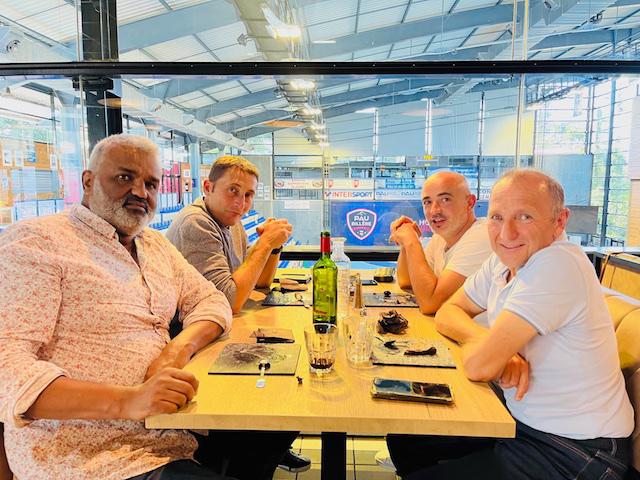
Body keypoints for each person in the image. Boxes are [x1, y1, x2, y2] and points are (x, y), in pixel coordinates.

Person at [0, 135, 237, 480]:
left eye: (151, 184)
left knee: (268, 435)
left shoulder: (153, 244)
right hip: (92, 458)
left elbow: (211, 299)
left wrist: (176, 350)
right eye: (125, 177)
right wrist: (130, 400)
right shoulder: (38, 241)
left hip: (173, 431)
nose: (140, 192)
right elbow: (6, 365)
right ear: (88, 181)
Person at [387, 169, 634, 479]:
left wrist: (491, 353)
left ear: (559, 221)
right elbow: (448, 311)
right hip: (519, 423)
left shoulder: (557, 263)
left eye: (525, 217)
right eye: (497, 218)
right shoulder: (503, 260)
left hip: (575, 450)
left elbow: (478, 366)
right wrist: (487, 342)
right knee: (408, 439)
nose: (507, 233)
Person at [166, 155, 311, 474]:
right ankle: (249, 457)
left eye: (248, 195)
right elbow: (230, 299)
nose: (241, 203)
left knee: (293, 373)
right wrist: (264, 244)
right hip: (189, 344)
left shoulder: (231, 222)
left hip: (216, 332)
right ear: (208, 187)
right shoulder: (196, 223)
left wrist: (272, 247)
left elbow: (259, 282)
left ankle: (269, 448)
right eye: (233, 190)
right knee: (283, 390)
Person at [389, 170, 492, 315]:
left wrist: (412, 243)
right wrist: (407, 242)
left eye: (445, 200)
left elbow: (430, 304)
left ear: (470, 203)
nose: (434, 210)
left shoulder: (482, 236)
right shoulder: (441, 237)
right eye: (427, 202)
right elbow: (408, 282)